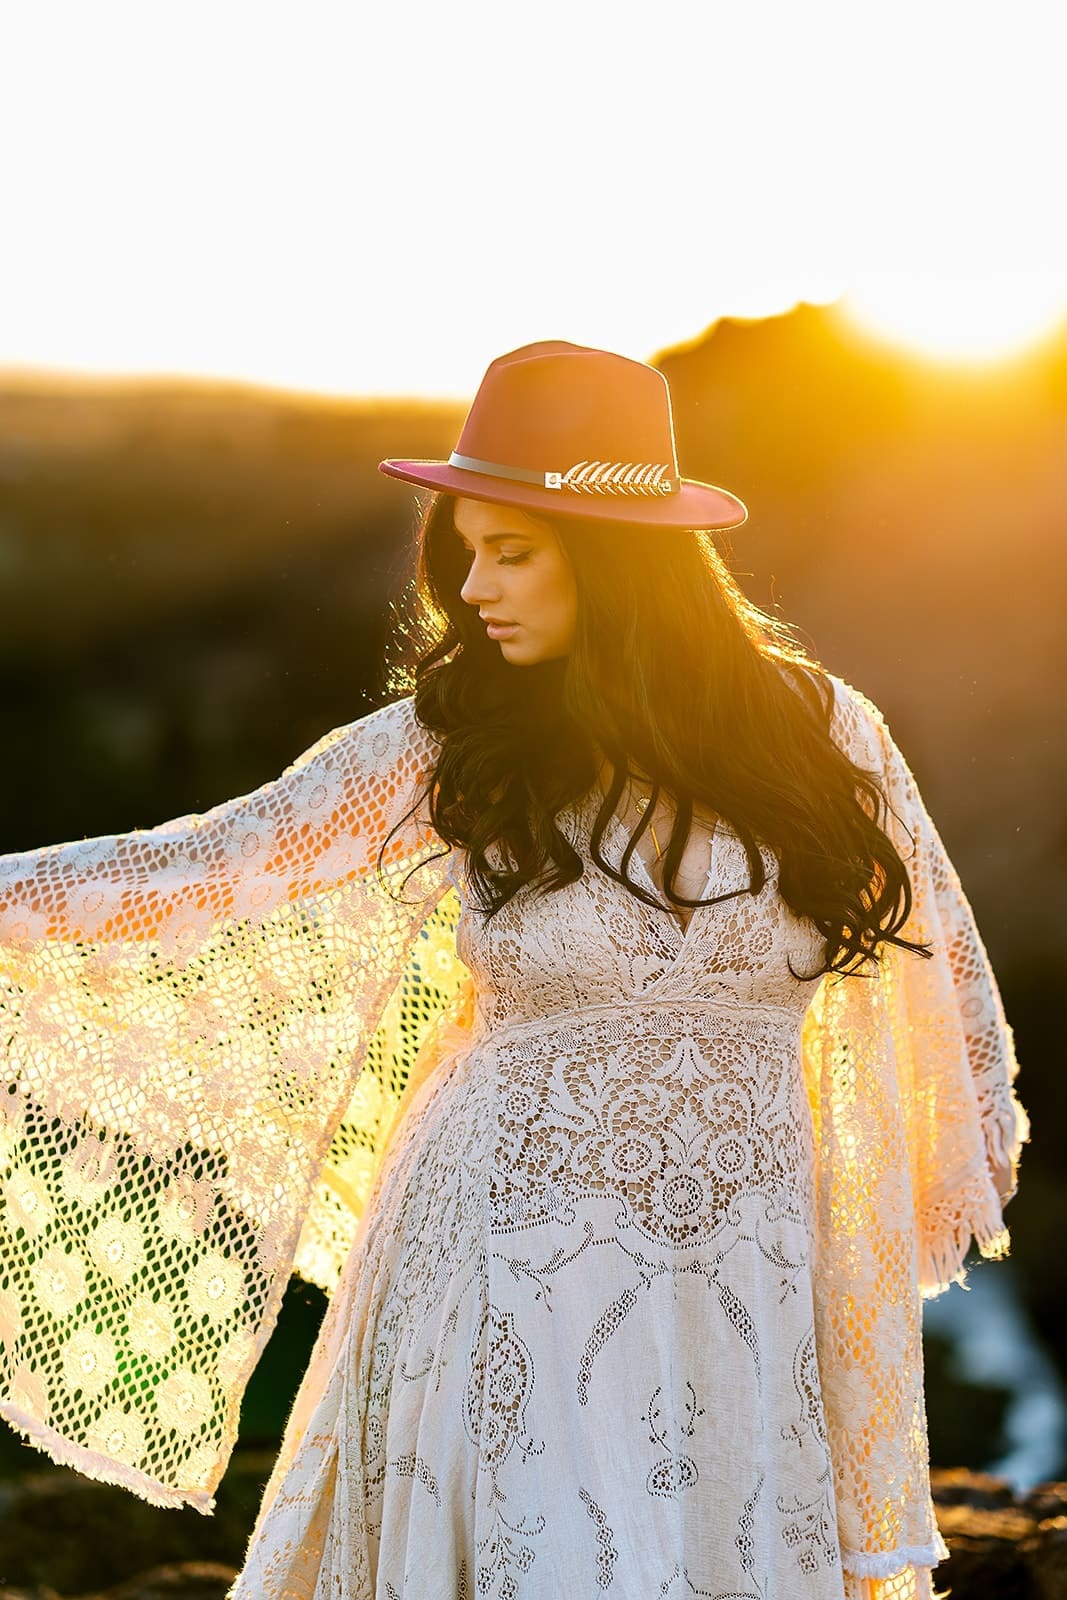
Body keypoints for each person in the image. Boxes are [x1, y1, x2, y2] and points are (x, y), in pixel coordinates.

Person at [0, 341, 1026, 1600]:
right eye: (464, 552)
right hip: (501, 1258)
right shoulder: (458, 739)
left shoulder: (821, 734)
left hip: (743, 1279)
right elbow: (204, 873)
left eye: (512, 551)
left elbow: (931, 998)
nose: (472, 588)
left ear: (621, 557)